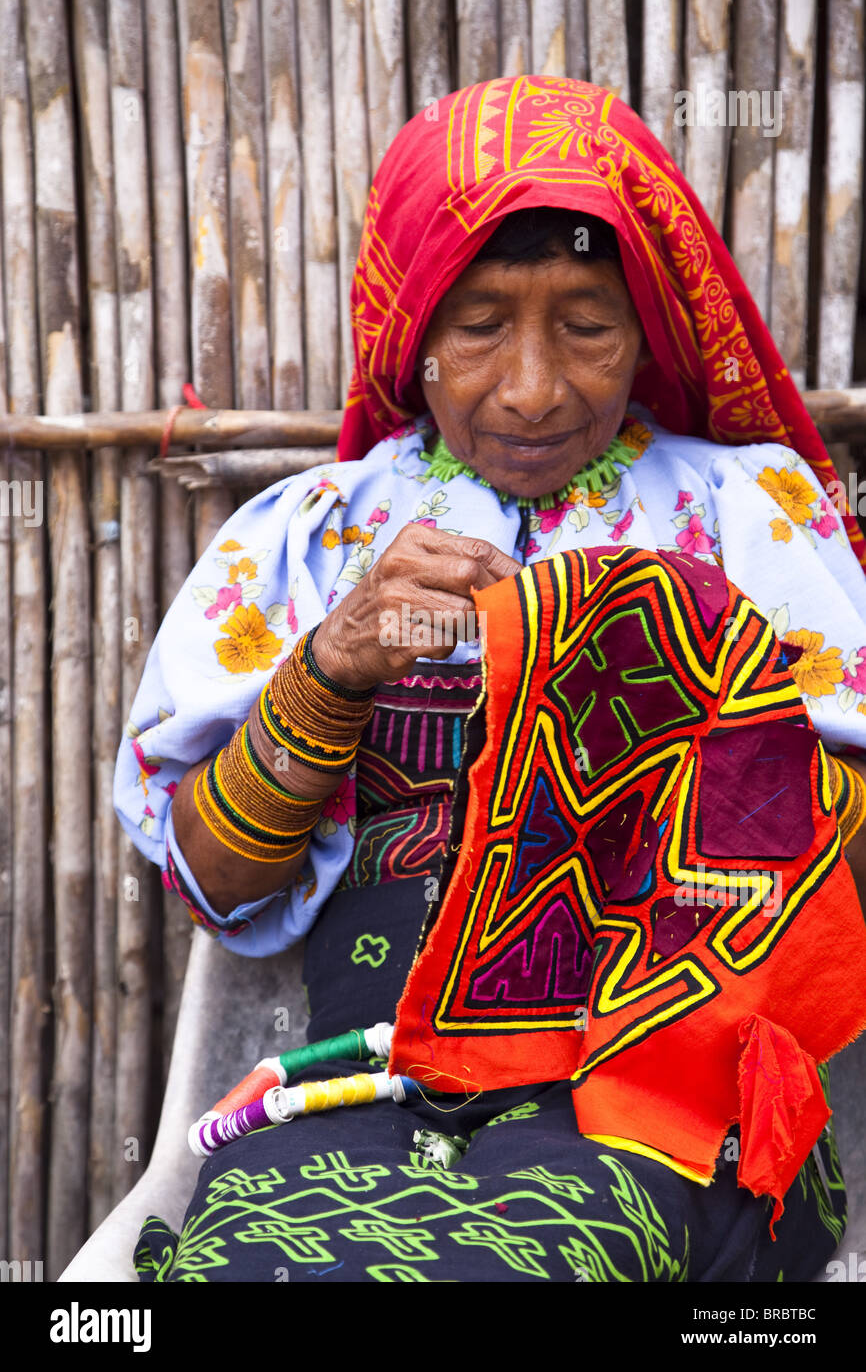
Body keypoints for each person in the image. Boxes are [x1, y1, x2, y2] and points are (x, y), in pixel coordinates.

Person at [117, 75, 866, 1283]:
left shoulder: (744, 517)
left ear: (649, 333)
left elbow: (835, 898)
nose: (531, 387)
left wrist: (699, 684)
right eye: (476, 323)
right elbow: (210, 878)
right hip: (354, 1089)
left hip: (656, 1100)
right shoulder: (306, 537)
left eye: (585, 323)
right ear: (409, 335)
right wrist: (331, 669)